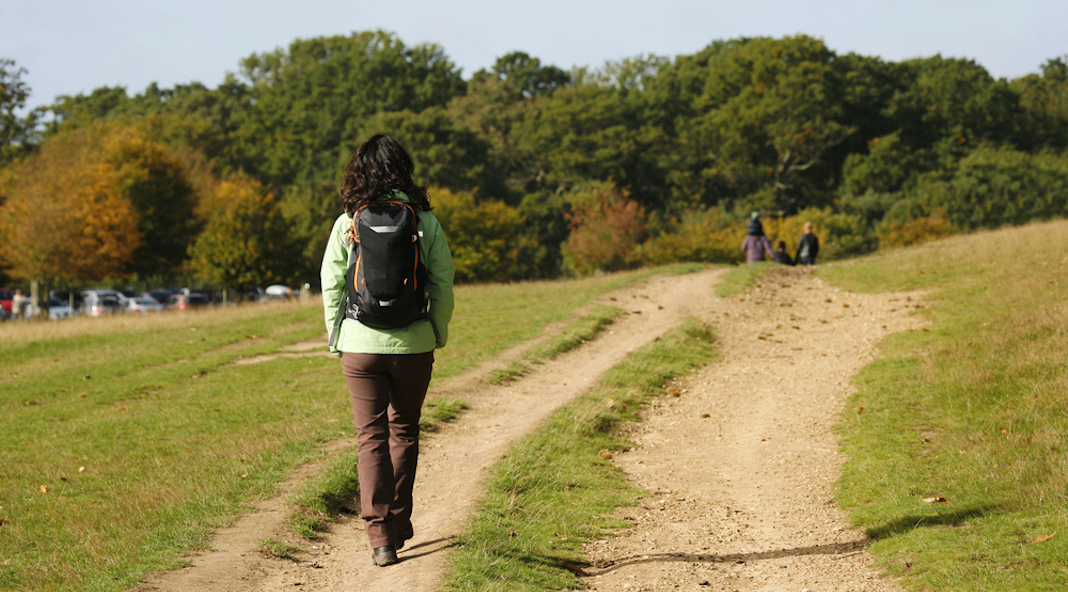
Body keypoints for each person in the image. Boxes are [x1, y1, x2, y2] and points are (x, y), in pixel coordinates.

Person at [320, 134, 455, 567]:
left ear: (359, 171)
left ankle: (380, 537)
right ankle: (398, 521)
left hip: (360, 347)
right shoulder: (424, 221)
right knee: (404, 431)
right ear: (403, 168)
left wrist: (336, 335)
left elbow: (332, 284)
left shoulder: (348, 222)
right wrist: (437, 329)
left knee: (370, 437)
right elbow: (443, 282)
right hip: (414, 345)